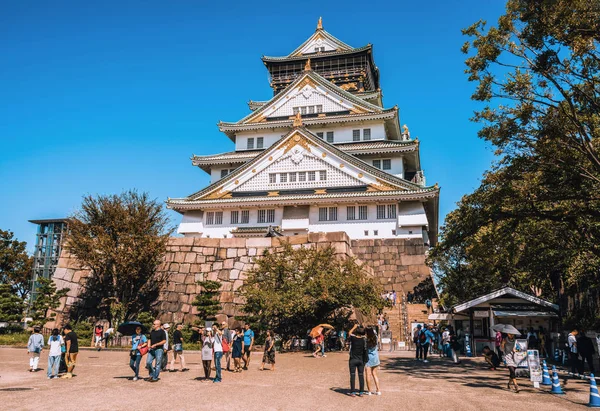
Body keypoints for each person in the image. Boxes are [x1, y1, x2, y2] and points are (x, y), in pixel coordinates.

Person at [347, 323, 368, 397]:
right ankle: (361, 392)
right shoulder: (364, 340)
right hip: (361, 360)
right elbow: (366, 335)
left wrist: (354, 327)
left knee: (352, 375)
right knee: (361, 375)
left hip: (353, 359)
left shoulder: (353, 338)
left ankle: (353, 392)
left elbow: (349, 333)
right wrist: (364, 328)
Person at [365, 327, 381, 395]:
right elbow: (378, 337)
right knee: (375, 374)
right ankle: (378, 390)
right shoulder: (375, 338)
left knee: (368, 375)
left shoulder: (366, 340)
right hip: (375, 358)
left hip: (368, 358)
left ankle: (369, 391)